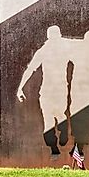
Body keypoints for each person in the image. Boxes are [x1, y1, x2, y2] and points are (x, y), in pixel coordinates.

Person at [17, 25, 74, 158]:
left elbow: (30, 69)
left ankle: (56, 144)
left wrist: (20, 87)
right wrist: (20, 87)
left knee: (55, 118)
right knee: (55, 118)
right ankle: (55, 145)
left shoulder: (47, 50)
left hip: (56, 89)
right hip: (52, 89)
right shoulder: (60, 50)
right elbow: (30, 69)